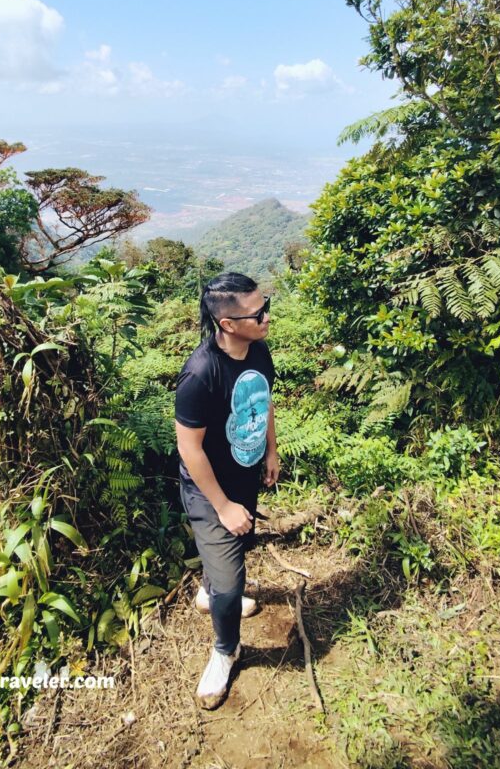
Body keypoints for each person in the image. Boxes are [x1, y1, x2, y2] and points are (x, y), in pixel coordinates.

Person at [174, 272, 279, 709]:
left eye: (265, 304)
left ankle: (206, 590)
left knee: (234, 552)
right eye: (258, 313)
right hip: (209, 489)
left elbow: (264, 399)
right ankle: (225, 650)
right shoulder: (200, 375)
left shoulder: (258, 349)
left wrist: (271, 451)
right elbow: (189, 449)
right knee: (232, 587)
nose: (267, 316)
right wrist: (222, 505)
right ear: (228, 324)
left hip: (245, 472)